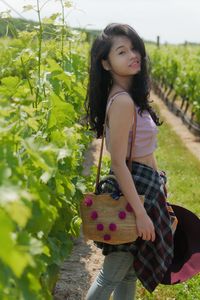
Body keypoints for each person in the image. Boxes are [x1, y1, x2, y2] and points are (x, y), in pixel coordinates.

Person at [84, 23, 200, 300]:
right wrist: (141, 214)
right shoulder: (122, 101)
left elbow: (145, 152)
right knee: (111, 274)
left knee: (127, 274)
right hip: (134, 196)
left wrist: (159, 188)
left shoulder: (129, 97)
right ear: (106, 63)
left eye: (134, 47)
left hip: (146, 190)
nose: (133, 54)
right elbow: (119, 164)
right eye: (121, 51)